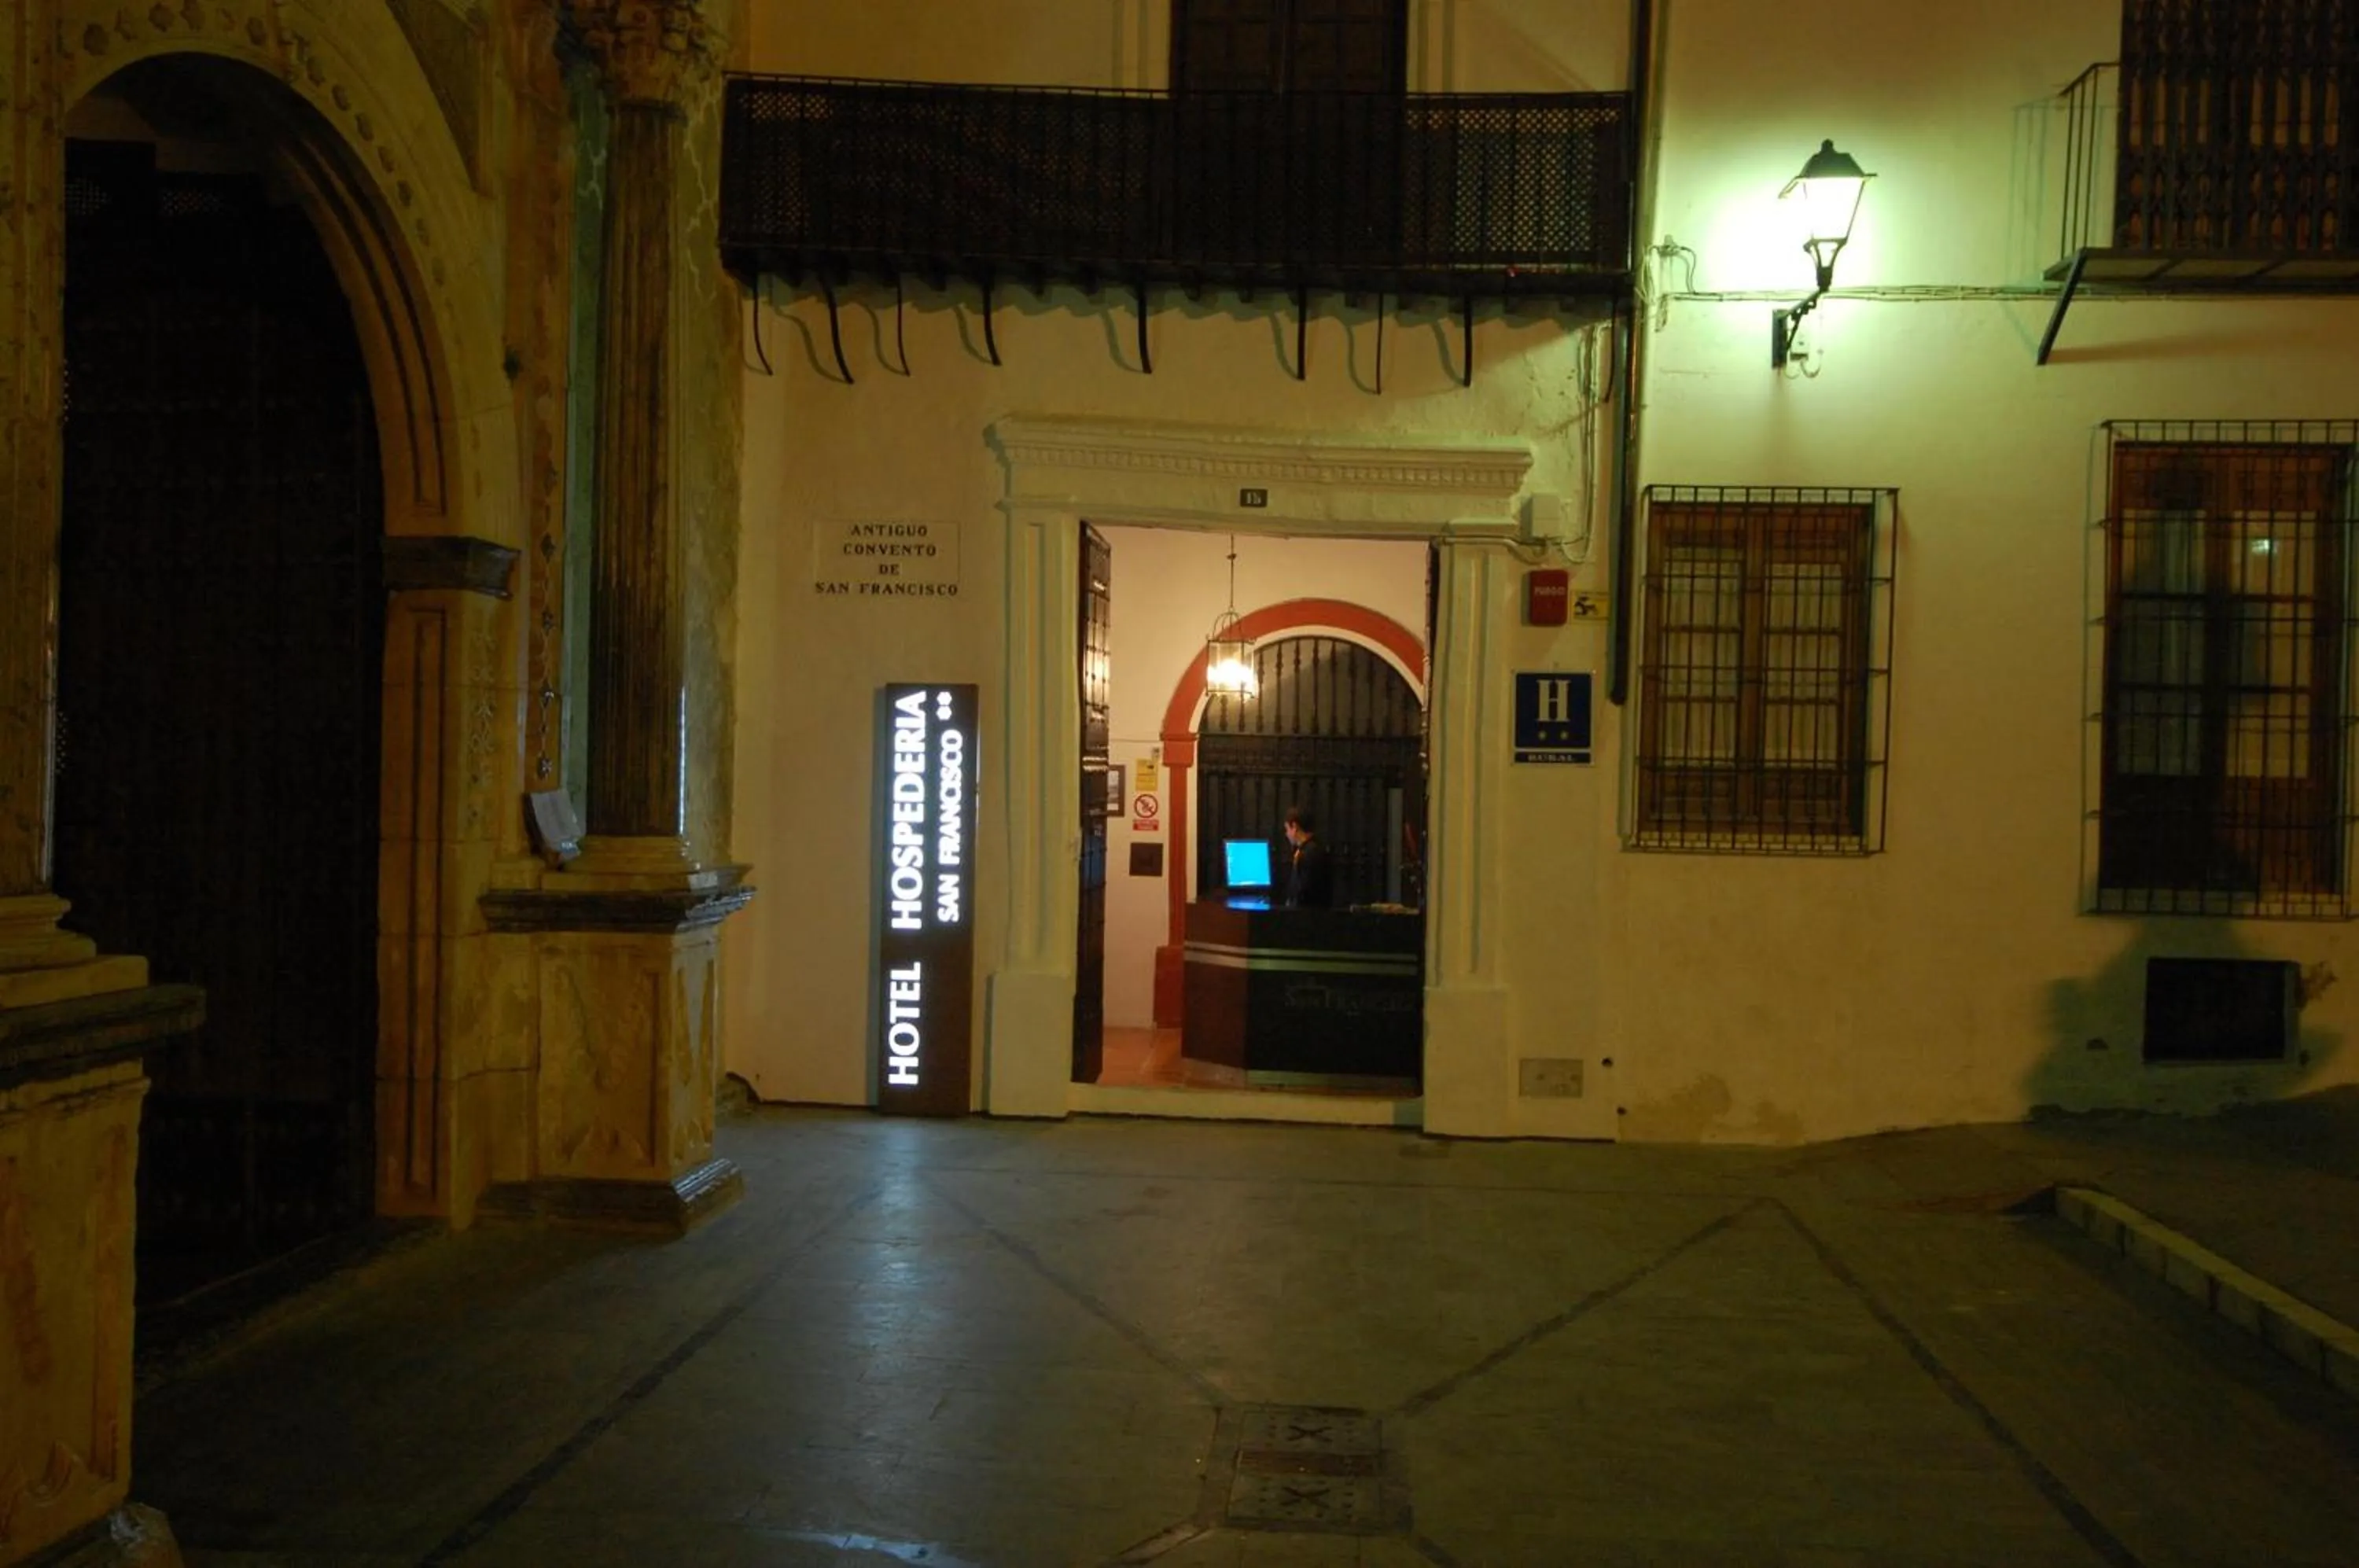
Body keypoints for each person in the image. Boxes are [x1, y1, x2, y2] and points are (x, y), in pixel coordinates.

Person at [1282, 804, 1334, 909]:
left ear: (1295, 827)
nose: (1286, 834)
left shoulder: (1310, 854)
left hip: (1308, 916)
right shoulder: (1313, 848)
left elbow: (1304, 892)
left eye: (1287, 829)